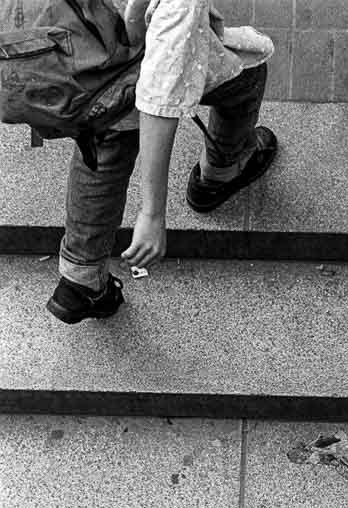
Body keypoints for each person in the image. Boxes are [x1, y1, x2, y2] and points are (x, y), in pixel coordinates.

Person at [47, 0, 277, 324]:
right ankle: (221, 172)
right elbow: (158, 96)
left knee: (102, 141)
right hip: (128, 70)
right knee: (247, 73)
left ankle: (81, 275)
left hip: (76, 68)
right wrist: (152, 213)